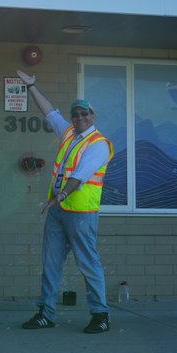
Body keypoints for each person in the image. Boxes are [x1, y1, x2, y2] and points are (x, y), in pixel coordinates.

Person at [15, 69, 115, 334]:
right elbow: (50, 113)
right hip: (58, 211)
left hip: (81, 213)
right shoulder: (69, 133)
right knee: (50, 263)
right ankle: (45, 313)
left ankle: (101, 315)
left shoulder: (99, 144)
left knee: (88, 264)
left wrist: (58, 197)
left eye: (84, 113)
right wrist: (31, 86)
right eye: (76, 114)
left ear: (93, 116)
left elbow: (79, 177)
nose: (79, 117)